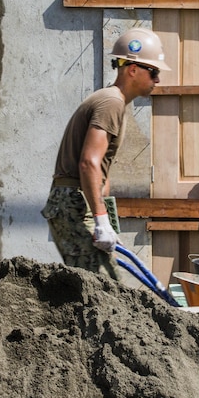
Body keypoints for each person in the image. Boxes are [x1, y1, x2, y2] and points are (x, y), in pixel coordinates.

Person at [42, 27, 169, 278]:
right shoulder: (111, 102)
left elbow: (100, 169)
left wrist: (105, 216)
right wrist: (100, 220)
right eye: (153, 72)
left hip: (76, 202)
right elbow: (89, 163)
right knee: (101, 288)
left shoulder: (114, 102)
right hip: (73, 203)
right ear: (133, 70)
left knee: (102, 287)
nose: (157, 80)